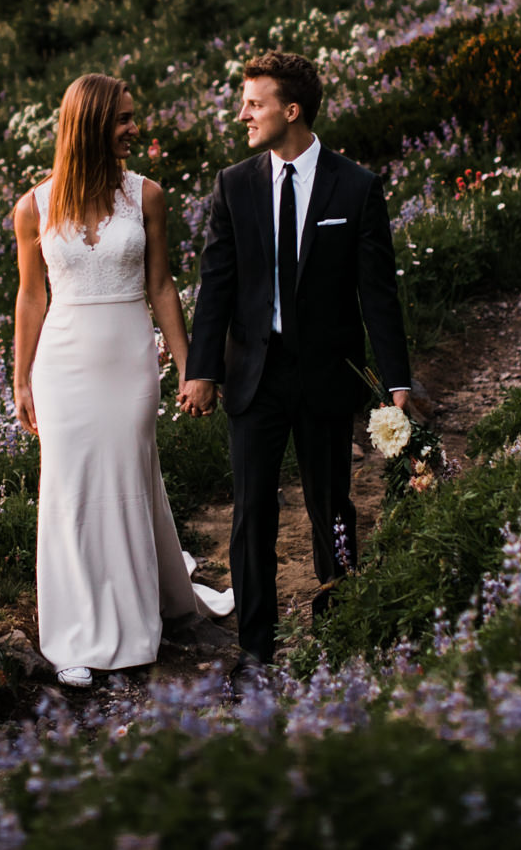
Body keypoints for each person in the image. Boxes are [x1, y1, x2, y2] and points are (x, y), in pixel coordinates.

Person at [179, 51, 413, 668]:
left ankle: (340, 630)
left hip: (325, 374)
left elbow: (378, 294)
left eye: (254, 104)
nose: (242, 115)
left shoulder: (356, 186)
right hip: (253, 375)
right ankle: (256, 652)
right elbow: (217, 285)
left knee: (330, 504)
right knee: (251, 513)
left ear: (292, 110)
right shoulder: (235, 184)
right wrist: (201, 369)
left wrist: (397, 382)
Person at [12, 73, 231, 688]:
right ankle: (75, 633)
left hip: (130, 357)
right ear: (89, 125)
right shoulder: (32, 206)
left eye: (134, 117)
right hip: (61, 362)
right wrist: (21, 377)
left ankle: (138, 622)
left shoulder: (148, 196)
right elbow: (31, 297)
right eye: (123, 119)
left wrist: (191, 366)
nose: (136, 128)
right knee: (70, 490)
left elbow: (161, 285)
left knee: (128, 475)